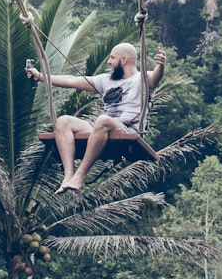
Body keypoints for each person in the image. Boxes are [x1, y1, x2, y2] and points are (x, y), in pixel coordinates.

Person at [26, 42, 166, 193]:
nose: (109, 62)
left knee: (103, 120)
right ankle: (69, 175)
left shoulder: (142, 78)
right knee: (63, 121)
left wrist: (161, 66)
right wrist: (40, 76)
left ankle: (81, 175)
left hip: (127, 130)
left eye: (112, 58)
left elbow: (155, 78)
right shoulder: (106, 80)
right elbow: (71, 80)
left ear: (124, 60)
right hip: (102, 129)